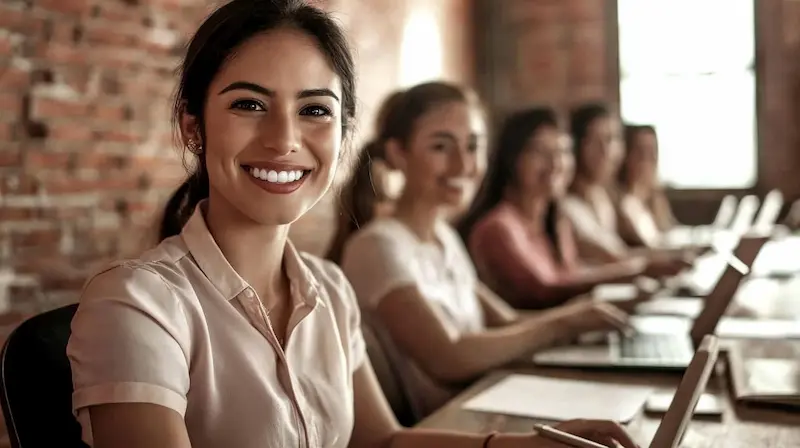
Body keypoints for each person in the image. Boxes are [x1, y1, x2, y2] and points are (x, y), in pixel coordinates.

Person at [65, 1, 639, 448]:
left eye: (315, 110)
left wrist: (520, 445)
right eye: (248, 104)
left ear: (343, 137)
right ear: (193, 128)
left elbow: (381, 441)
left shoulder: (331, 291)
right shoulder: (137, 303)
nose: (284, 140)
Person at [340, 82, 634, 421]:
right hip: (449, 427)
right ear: (397, 154)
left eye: (473, 146)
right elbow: (448, 356)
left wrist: (587, 315)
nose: (463, 164)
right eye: (441, 147)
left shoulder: (445, 237)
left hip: (487, 406)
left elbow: (506, 321)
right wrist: (563, 323)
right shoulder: (377, 245)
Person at [460, 108, 659, 310]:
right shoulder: (497, 226)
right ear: (511, 159)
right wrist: (636, 271)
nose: (555, 164)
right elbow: (544, 290)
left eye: (563, 151)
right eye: (539, 152)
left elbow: (571, 274)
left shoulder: (555, 220)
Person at [562, 103, 690, 274]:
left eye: (612, 140)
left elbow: (621, 253)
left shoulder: (603, 198)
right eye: (594, 142)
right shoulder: (568, 207)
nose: (606, 151)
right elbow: (614, 257)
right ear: (577, 147)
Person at [617, 124, 678, 248]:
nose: (650, 158)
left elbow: (668, 232)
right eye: (641, 151)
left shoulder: (654, 198)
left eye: (653, 151)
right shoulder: (623, 203)